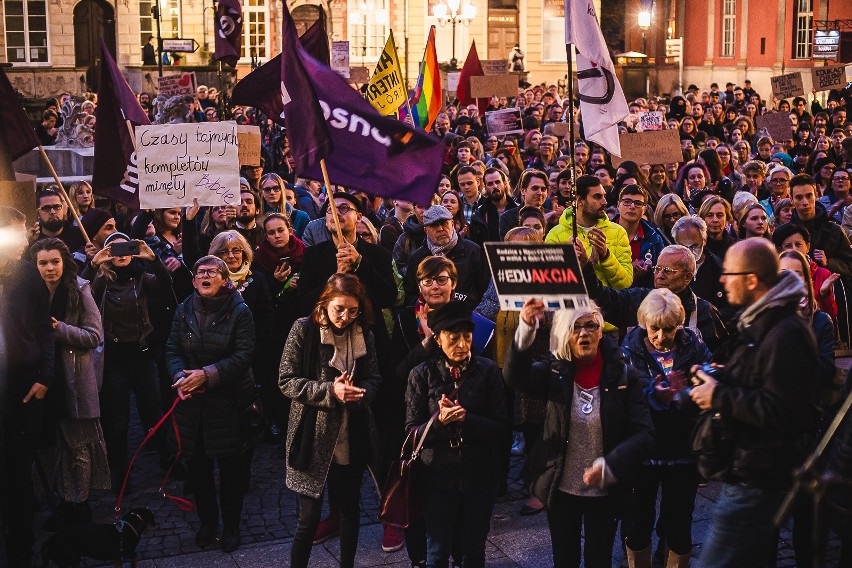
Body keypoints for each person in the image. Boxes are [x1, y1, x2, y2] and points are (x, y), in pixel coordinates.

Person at [690, 238, 819, 568]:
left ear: (751, 279)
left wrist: (718, 395)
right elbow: (763, 380)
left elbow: (782, 410)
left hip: (761, 472)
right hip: (751, 466)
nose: (721, 280)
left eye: (728, 273)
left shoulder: (785, 331)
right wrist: (726, 375)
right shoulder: (762, 322)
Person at [503, 300, 654, 568]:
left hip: (604, 491)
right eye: (576, 327)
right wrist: (526, 327)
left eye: (590, 326)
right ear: (564, 334)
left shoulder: (624, 376)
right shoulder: (555, 372)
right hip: (561, 488)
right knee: (565, 558)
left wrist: (610, 466)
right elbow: (515, 377)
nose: (584, 333)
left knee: (599, 558)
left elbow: (644, 434)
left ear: (600, 331)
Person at [279, 274, 382, 568]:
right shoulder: (303, 329)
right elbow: (286, 381)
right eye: (339, 309)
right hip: (312, 435)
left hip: (352, 433)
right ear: (325, 304)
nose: (345, 317)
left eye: (353, 310)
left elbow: (375, 378)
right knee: (308, 518)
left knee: (349, 508)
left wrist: (360, 395)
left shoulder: (364, 333)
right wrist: (330, 391)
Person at [405, 301, 508, 568]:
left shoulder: (487, 372)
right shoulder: (421, 374)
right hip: (437, 477)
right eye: (454, 337)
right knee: (437, 551)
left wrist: (467, 419)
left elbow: (501, 427)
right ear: (438, 339)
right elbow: (411, 432)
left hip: (480, 475)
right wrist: (439, 422)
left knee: (473, 551)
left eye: (467, 336)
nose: (462, 344)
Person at [166, 256, 257, 552]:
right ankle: (208, 522)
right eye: (200, 272)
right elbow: (172, 349)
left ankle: (231, 525)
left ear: (225, 280)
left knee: (231, 473)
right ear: (194, 281)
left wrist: (207, 375)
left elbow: (244, 355)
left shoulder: (240, 311)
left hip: (227, 404)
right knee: (198, 471)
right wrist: (181, 377)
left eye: (212, 272)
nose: (205, 276)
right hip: (192, 406)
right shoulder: (183, 310)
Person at [620, 289, 712, 568]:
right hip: (643, 451)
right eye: (654, 329)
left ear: (680, 325)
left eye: (669, 329)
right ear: (642, 324)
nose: (661, 337)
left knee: (680, 522)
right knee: (637, 521)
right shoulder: (628, 350)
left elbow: (706, 380)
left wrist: (699, 384)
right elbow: (623, 399)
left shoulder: (693, 345)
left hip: (682, 449)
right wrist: (654, 395)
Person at [30, 239, 109, 528]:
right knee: (54, 447)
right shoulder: (30, 293)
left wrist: (58, 329)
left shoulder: (80, 289)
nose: (49, 269)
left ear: (64, 262)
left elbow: (94, 335)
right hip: (45, 379)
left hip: (75, 379)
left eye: (54, 262)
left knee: (79, 447)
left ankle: (80, 504)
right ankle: (63, 501)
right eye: (42, 263)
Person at [89, 232, 170, 490]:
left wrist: (153, 259)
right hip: (114, 357)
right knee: (118, 420)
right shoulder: (102, 278)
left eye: (126, 248)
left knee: (153, 412)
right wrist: (95, 265)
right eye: (114, 249)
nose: (121, 254)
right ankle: (119, 471)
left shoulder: (142, 276)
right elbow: (85, 295)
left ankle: (168, 460)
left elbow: (166, 286)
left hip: (142, 354)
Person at [0, 207, 54, 568]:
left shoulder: (28, 276)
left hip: (20, 389)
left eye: (22, 232)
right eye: (14, 232)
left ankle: (21, 550)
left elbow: (44, 331)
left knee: (18, 475)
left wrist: (44, 378)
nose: (22, 239)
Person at [583, 244, 728, 352]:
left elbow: (719, 356)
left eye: (668, 271)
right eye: (657, 269)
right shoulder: (637, 300)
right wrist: (585, 267)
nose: (659, 276)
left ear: (688, 277)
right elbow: (600, 297)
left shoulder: (704, 312)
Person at [546, 174, 633, 290]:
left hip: (607, 305)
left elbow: (625, 283)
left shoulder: (618, 232)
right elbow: (549, 284)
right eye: (597, 197)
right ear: (579, 200)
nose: (604, 202)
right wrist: (572, 264)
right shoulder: (555, 235)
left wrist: (606, 256)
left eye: (604, 196)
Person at [404, 205, 491, 308]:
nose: (440, 229)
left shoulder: (473, 251)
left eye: (444, 223)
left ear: (452, 224)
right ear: (426, 230)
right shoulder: (417, 258)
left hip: (467, 316)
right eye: (434, 225)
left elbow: (485, 289)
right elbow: (410, 294)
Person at [790, 173, 852, 279]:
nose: (805, 202)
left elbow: (849, 266)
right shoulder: (785, 232)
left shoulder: (835, 231)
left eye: (809, 196)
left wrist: (828, 262)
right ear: (791, 200)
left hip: (830, 291)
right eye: (799, 197)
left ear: (816, 196)